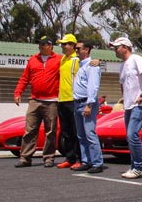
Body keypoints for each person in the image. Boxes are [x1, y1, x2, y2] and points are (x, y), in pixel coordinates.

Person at [13, 36, 61, 168]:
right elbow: (24, 78)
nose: (41, 46)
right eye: (40, 44)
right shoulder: (33, 60)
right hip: (34, 100)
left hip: (52, 101)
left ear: (51, 46)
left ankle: (49, 157)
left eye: (44, 44)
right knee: (30, 130)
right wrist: (18, 93)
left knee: (50, 131)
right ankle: (25, 158)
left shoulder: (59, 60)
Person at [110, 37, 142, 179]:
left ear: (125, 47)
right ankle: (134, 166)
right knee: (130, 137)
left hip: (140, 105)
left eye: (117, 47)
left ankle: (139, 167)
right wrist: (124, 99)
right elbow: (123, 85)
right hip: (129, 105)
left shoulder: (136, 59)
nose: (115, 50)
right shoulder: (122, 65)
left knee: (132, 134)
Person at [70, 40, 106, 173]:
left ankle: (97, 162)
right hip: (77, 102)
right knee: (81, 135)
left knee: (90, 133)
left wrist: (89, 105)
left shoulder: (92, 66)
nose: (77, 51)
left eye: (79, 48)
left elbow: (93, 86)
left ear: (87, 50)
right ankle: (87, 160)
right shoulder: (81, 65)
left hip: (86, 102)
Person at [55, 34, 82, 169]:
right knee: (66, 132)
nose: (63, 47)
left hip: (73, 100)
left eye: (65, 44)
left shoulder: (77, 60)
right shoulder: (62, 60)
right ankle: (69, 158)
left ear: (72, 46)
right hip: (62, 100)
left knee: (76, 131)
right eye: (62, 44)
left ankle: (80, 158)